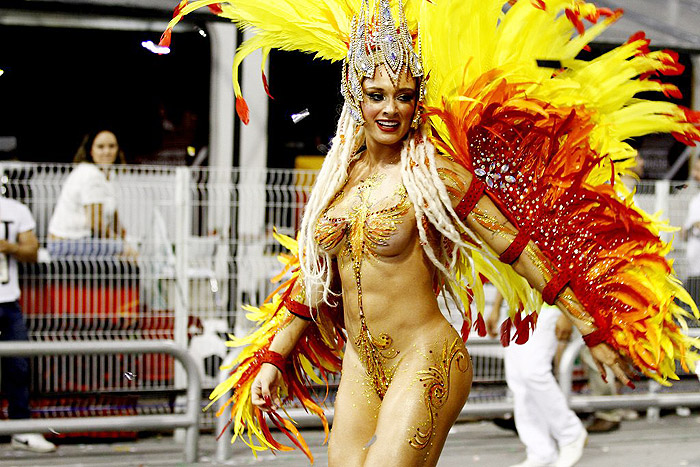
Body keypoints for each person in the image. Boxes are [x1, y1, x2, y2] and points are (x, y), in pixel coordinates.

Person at [162, 0, 700, 465]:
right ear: (354, 94)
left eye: (402, 94)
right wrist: (277, 356)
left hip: (426, 356)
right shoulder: (338, 178)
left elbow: (516, 247)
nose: (389, 108)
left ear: (418, 98)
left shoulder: (434, 174)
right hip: (361, 365)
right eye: (376, 94)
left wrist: (592, 325)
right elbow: (315, 275)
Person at [488, 292, 586, 467]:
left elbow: (566, 269)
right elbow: (506, 269)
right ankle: (540, 451)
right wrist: (495, 308)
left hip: (547, 305)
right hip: (515, 307)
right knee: (518, 382)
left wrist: (566, 313)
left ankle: (571, 433)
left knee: (533, 373)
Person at [0, 195, 57, 453]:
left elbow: (32, 251)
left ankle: (20, 429)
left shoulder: (14, 209)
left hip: (8, 301)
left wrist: (7, 247)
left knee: (18, 366)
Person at [47, 129, 132, 257]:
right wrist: (121, 243)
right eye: (100, 147)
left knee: (129, 245)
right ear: (91, 151)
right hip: (66, 243)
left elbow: (114, 217)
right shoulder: (90, 174)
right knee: (125, 252)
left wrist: (125, 237)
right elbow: (95, 223)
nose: (107, 151)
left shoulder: (109, 175)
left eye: (111, 146)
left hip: (85, 241)